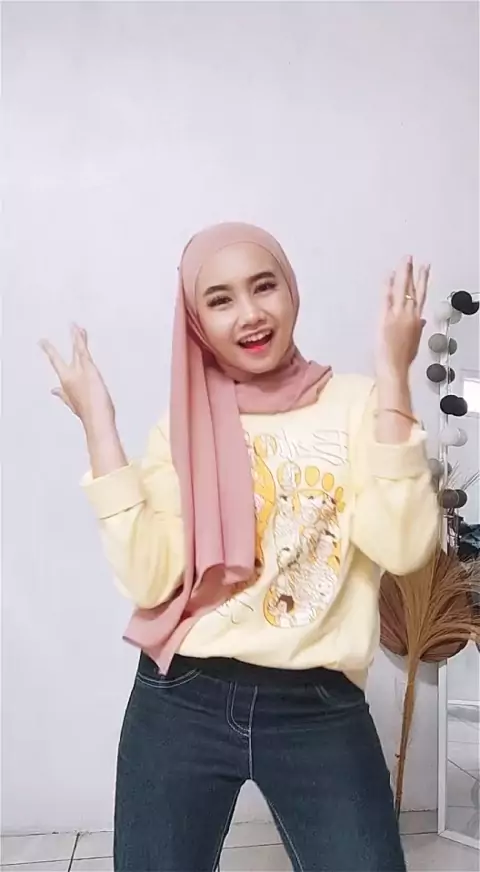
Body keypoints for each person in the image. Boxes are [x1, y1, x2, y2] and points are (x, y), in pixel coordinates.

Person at [41, 223, 439, 872]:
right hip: (183, 695)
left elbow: (403, 545)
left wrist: (395, 375)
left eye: (264, 286)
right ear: (196, 321)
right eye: (220, 300)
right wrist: (100, 429)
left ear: (292, 290)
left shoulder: (359, 404)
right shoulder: (183, 426)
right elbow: (149, 580)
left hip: (317, 703)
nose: (250, 314)